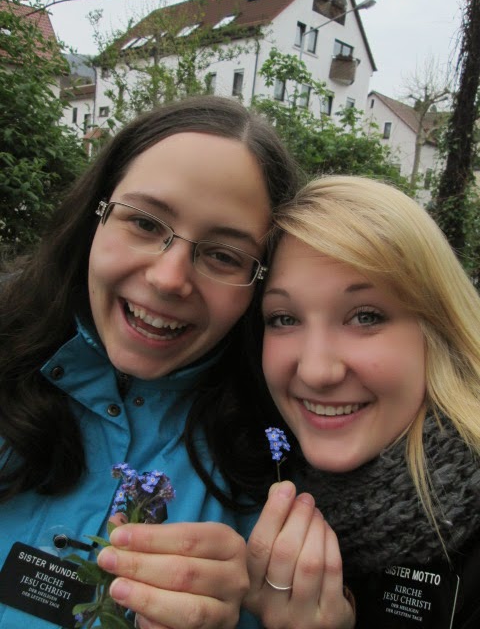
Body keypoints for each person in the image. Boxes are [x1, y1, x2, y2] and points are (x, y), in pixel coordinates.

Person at [0, 95, 299, 629]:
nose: (168, 278)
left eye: (223, 256)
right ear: (96, 215)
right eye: (143, 222)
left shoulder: (280, 482)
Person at [242, 176, 480, 628]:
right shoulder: (251, 482)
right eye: (284, 318)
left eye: (365, 316)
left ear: (440, 329)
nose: (316, 371)